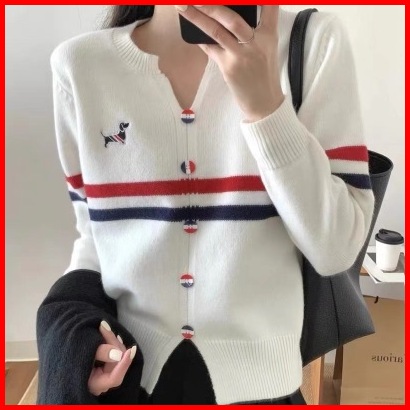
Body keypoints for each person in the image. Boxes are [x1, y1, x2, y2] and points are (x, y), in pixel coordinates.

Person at [44, 4, 375, 405]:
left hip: (263, 390)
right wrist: (79, 344)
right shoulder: (80, 66)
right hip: (130, 382)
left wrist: (267, 108)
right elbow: (95, 238)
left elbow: (336, 250)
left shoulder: (313, 43)